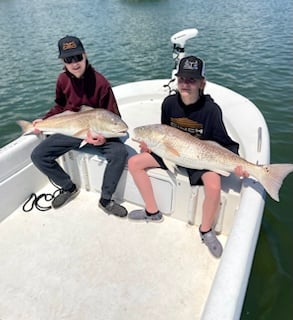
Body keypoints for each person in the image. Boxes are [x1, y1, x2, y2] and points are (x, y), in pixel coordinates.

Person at [127, 56, 248, 257]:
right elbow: (163, 132)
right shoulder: (168, 104)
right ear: (177, 80)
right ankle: (152, 211)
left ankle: (206, 230)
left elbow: (224, 143)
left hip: (200, 158)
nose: (186, 84)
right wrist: (150, 147)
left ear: (202, 83)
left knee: (214, 185)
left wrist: (236, 166)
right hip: (171, 154)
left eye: (192, 80)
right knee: (134, 162)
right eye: (182, 79)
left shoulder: (211, 110)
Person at [31, 35, 128, 217]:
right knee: (38, 155)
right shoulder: (62, 80)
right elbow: (60, 105)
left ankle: (106, 199)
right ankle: (68, 187)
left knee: (119, 153)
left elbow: (114, 117)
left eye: (78, 57)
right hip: (74, 130)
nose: (75, 63)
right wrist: (43, 120)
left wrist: (103, 138)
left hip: (99, 131)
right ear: (63, 61)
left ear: (85, 55)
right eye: (69, 59)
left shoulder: (101, 82)